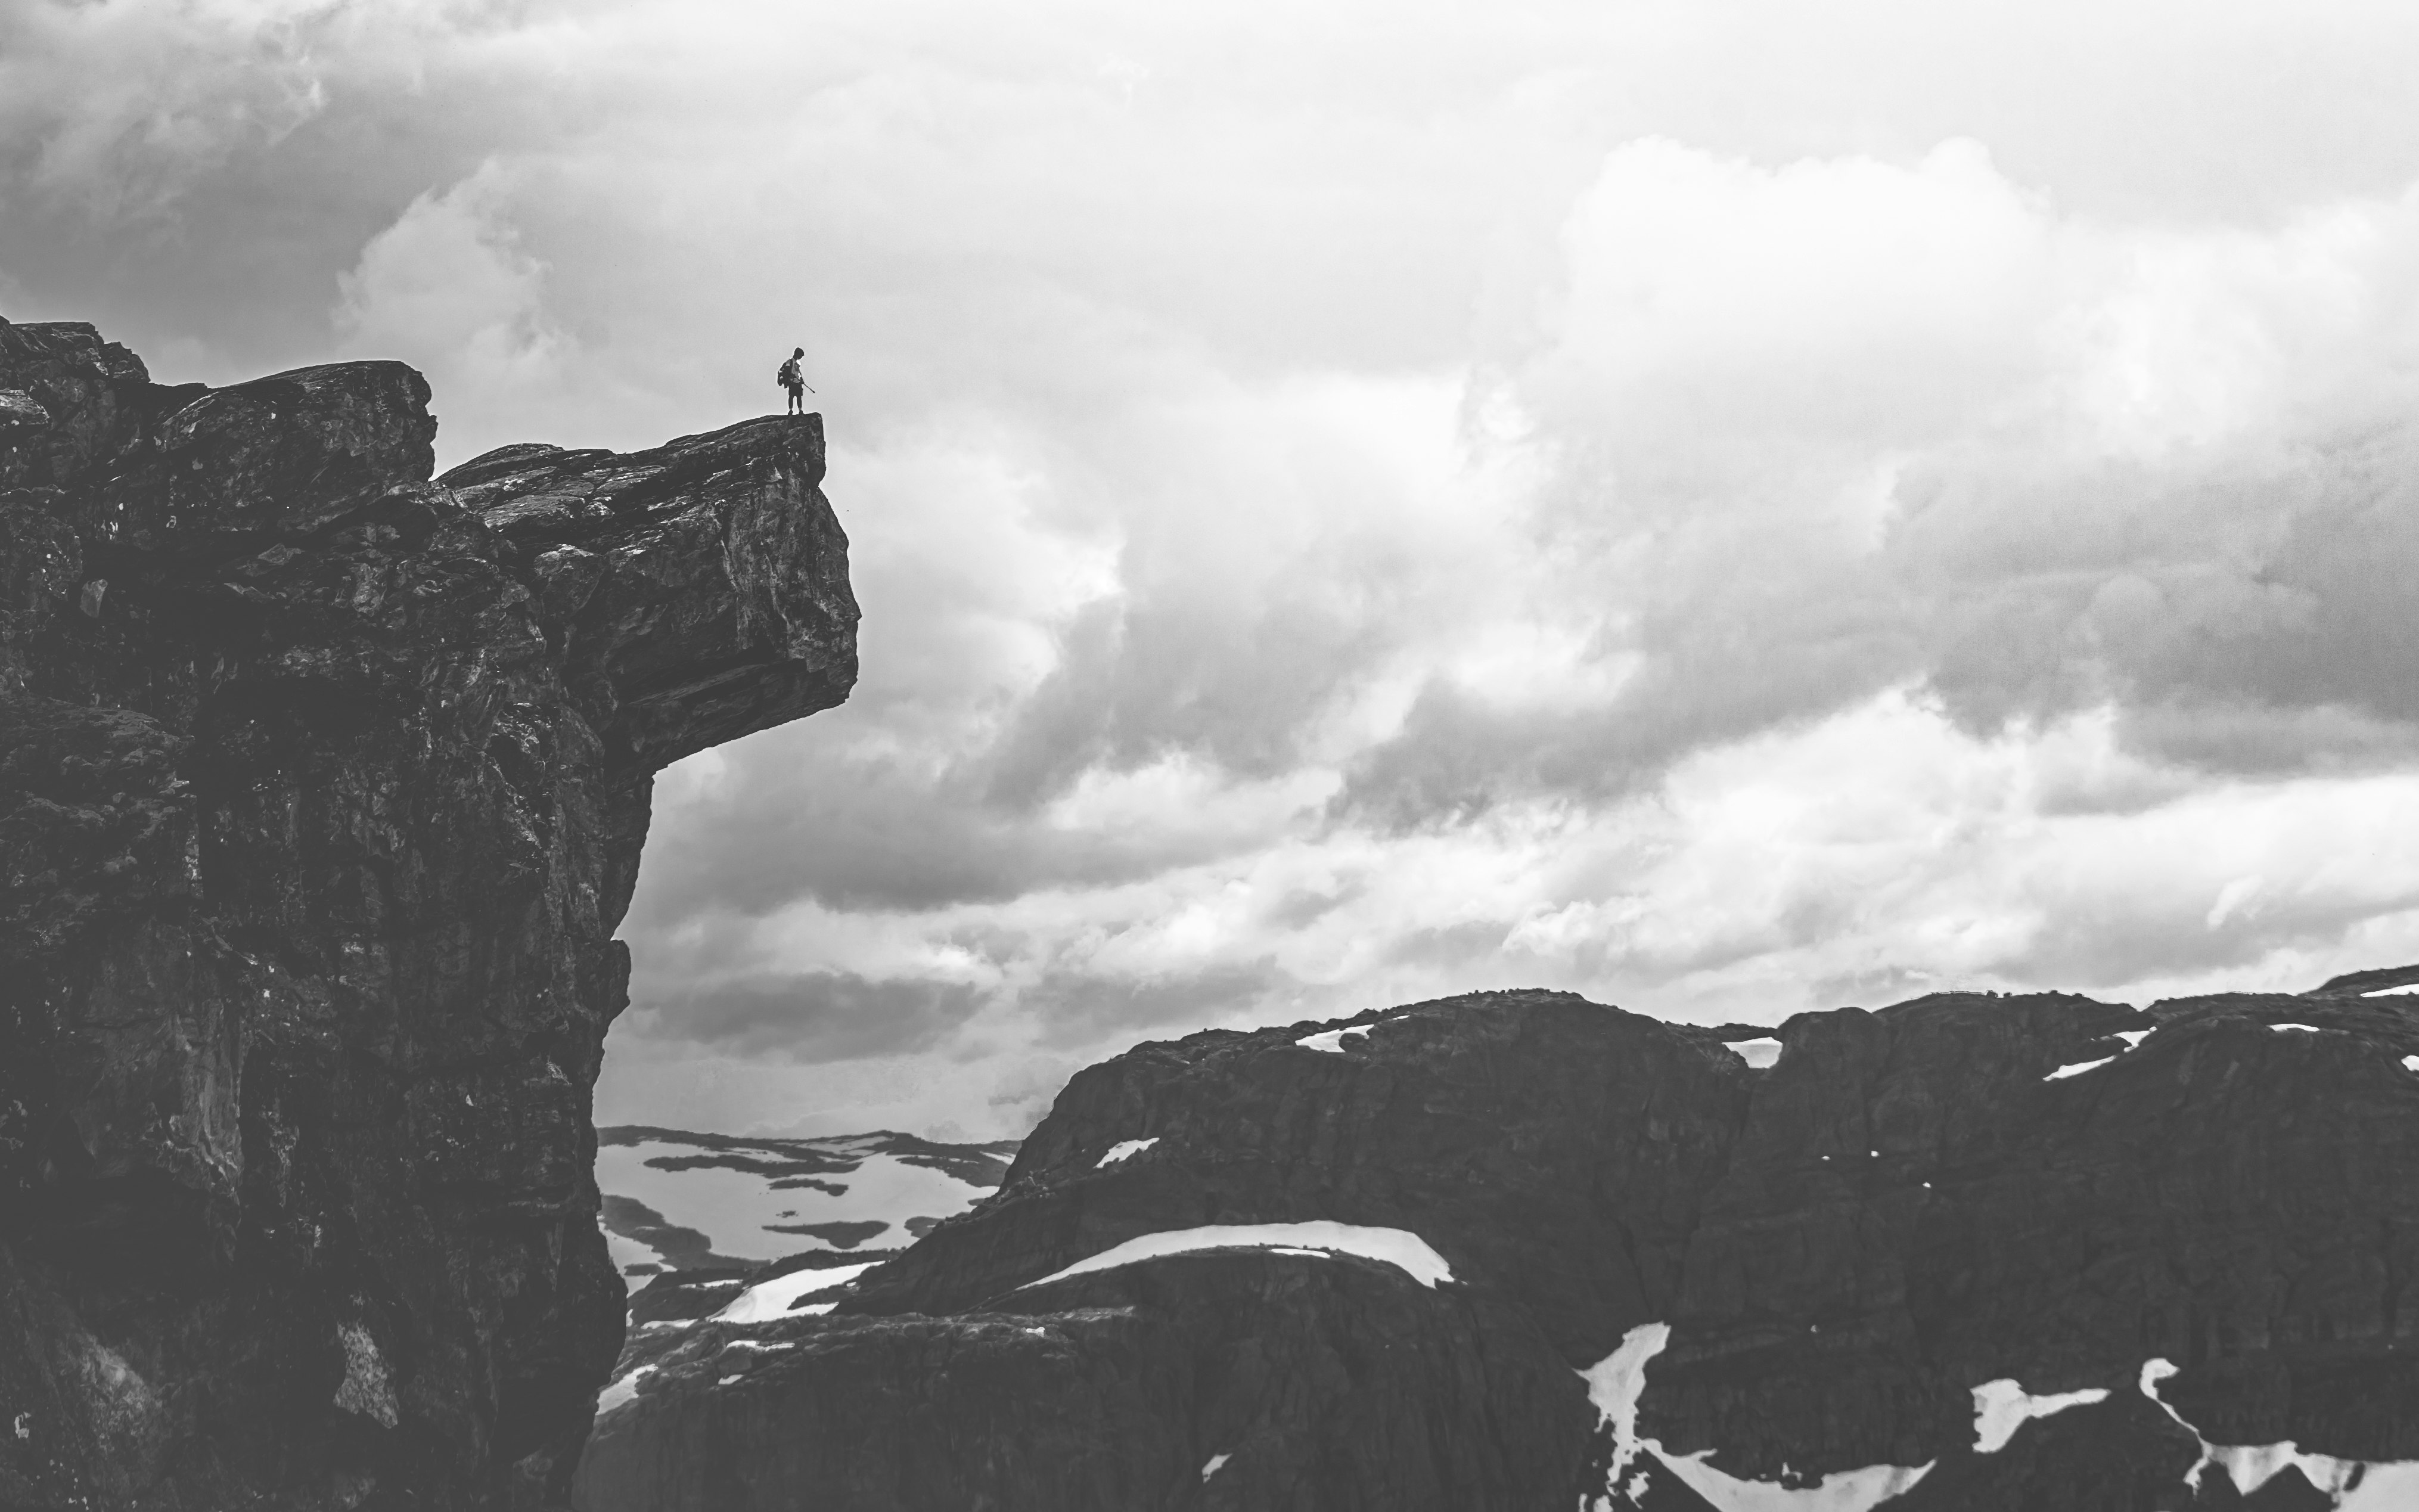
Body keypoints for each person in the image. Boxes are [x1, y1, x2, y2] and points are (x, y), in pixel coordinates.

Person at [777, 347, 811, 414]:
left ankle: (800, 410)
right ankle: (791, 410)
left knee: (799, 397)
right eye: (801, 355)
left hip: (798, 382)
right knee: (791, 396)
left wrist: (801, 379)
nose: (801, 357)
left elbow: (798, 372)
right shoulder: (790, 361)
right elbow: (787, 370)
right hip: (792, 381)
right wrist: (790, 375)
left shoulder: (798, 363)